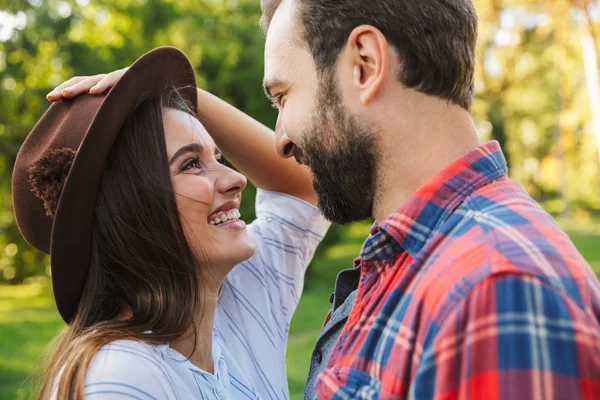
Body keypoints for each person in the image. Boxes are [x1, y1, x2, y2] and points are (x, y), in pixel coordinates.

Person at [50, 0, 600, 398]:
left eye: (283, 96)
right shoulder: (413, 270)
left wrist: (152, 95)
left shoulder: (496, 292)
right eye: (193, 163)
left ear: (365, 64)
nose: (280, 139)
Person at [14, 46, 330, 399]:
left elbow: (305, 189)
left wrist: (189, 100)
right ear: (130, 209)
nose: (236, 179)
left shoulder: (241, 300)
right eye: (191, 163)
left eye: (219, 156)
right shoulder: (122, 377)